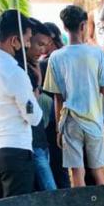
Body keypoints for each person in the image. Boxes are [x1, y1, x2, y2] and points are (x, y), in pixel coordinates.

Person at [0, 10, 42, 200]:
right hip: (14, 149)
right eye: (27, 40)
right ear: (14, 41)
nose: (28, 45)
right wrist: (33, 98)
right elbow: (32, 116)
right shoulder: (14, 72)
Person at [43, 5, 104, 187]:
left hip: (70, 121)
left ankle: (80, 205)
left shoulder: (55, 57)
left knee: (77, 171)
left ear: (64, 27)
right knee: (98, 170)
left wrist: (58, 129)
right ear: (83, 25)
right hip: (93, 120)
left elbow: (57, 98)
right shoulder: (97, 53)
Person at [23, 18, 57, 191]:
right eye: (39, 44)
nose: (42, 50)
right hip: (31, 142)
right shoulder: (20, 70)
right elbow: (29, 105)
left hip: (40, 139)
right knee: (49, 190)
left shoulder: (35, 67)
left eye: (46, 45)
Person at [40, 22, 70, 189]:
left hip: (53, 120)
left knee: (57, 165)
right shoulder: (64, 57)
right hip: (64, 116)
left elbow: (55, 96)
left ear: (50, 40)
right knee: (61, 166)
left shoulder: (47, 62)